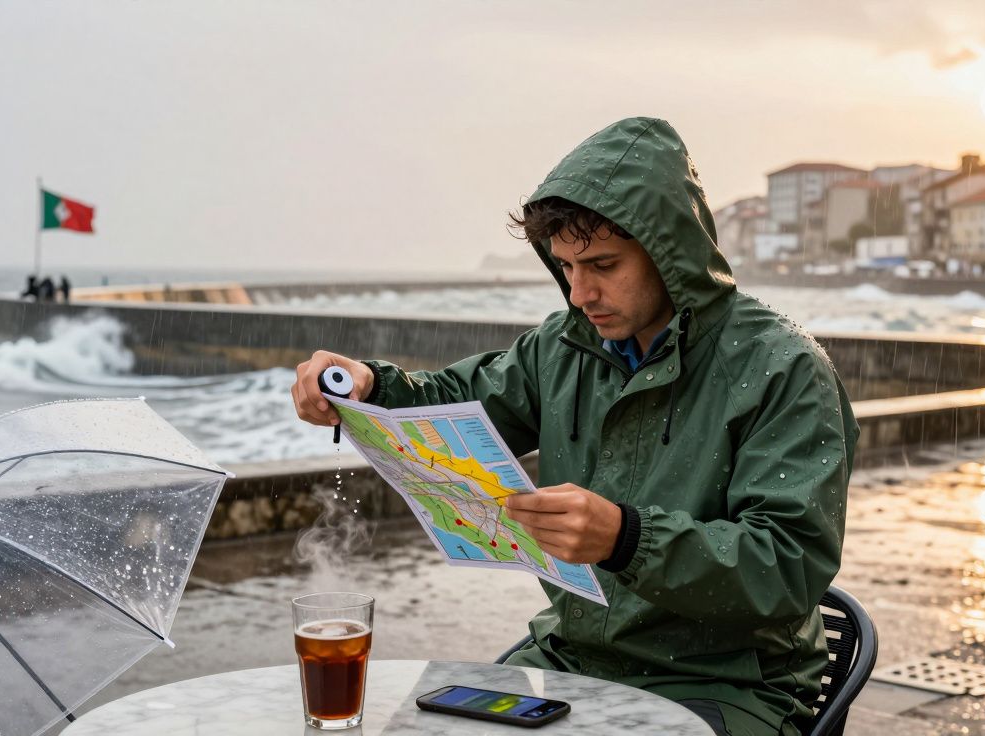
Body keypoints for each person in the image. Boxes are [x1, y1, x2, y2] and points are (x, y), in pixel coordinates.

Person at [291, 117, 858, 736]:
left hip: (729, 683)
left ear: (671, 252)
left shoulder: (783, 367)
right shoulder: (560, 347)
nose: (580, 291)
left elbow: (788, 565)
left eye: (603, 264)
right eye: (565, 266)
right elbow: (456, 403)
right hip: (570, 658)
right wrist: (370, 388)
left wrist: (626, 537)